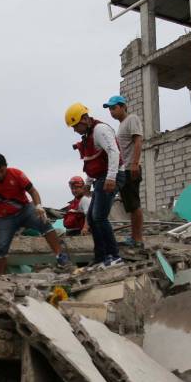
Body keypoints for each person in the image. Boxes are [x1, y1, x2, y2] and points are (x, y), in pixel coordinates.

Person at [0, 153, 69, 274]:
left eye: (2, 171)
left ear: (6, 166)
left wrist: (38, 206)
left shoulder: (16, 174)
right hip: (5, 218)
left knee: (44, 223)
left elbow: (33, 191)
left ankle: (60, 257)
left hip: (25, 210)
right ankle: (0, 276)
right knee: (1, 246)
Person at [64, 102, 124, 268]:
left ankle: (114, 256)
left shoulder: (100, 130)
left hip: (112, 175)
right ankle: (100, 257)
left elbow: (114, 151)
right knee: (91, 217)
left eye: (75, 126)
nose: (75, 130)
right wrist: (88, 184)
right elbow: (92, 162)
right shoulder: (89, 136)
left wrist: (111, 178)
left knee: (99, 217)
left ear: (84, 120)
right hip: (101, 178)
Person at [105, 95, 144, 248]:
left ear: (123, 106)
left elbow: (138, 141)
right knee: (130, 205)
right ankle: (134, 238)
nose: (111, 111)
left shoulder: (131, 119)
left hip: (130, 169)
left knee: (134, 205)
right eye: (109, 109)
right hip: (124, 170)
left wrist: (134, 163)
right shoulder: (121, 126)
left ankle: (138, 239)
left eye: (114, 108)